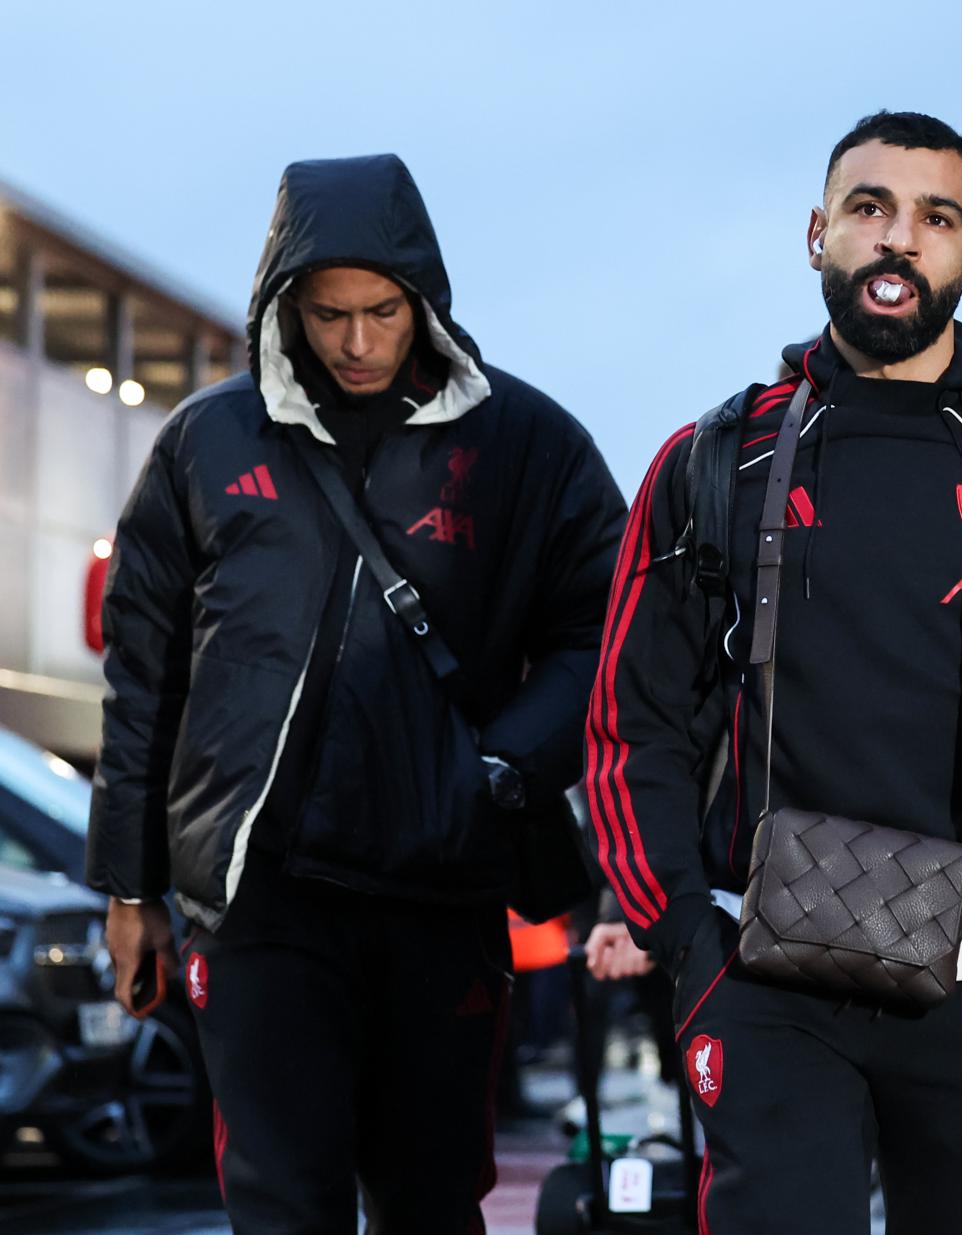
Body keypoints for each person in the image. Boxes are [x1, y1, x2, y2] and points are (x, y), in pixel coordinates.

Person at [586, 111, 962, 1235]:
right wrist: (682, 940)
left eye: (934, 218)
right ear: (817, 233)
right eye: (870, 209)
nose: (898, 239)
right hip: (766, 983)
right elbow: (630, 719)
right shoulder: (716, 458)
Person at [86, 153, 626, 1233]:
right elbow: (145, 678)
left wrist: (507, 764)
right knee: (284, 1203)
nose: (359, 341)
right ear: (285, 304)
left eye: (384, 310)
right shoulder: (207, 440)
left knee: (431, 1200)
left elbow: (609, 633)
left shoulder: (525, 441)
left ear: (424, 299)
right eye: (330, 314)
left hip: (442, 886)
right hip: (260, 896)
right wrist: (129, 885)